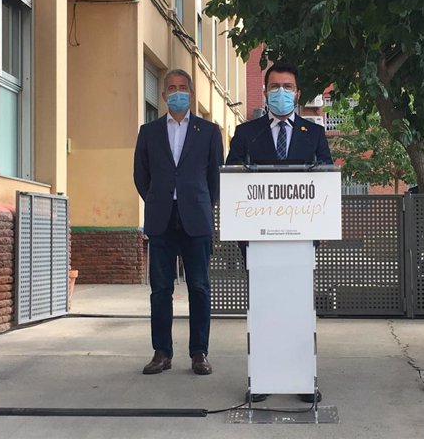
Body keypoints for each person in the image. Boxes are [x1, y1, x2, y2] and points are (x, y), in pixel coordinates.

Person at [226, 63, 333, 404]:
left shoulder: (313, 134)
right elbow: (231, 176)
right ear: (265, 90)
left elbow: (326, 176)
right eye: (275, 86)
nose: (282, 92)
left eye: (288, 86)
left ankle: (302, 379)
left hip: (299, 241)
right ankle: (263, 377)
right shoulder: (247, 133)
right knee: (264, 310)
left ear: (298, 93)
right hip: (259, 241)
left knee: (299, 310)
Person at [134, 69, 224, 376]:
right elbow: (140, 176)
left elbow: (215, 178)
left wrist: (199, 203)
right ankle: (162, 352)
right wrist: (159, 199)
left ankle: (199, 353)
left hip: (196, 219)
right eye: (171, 88)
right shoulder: (148, 132)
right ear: (162, 95)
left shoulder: (209, 132)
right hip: (161, 219)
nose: (177, 92)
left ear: (191, 92)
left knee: (199, 287)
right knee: (160, 289)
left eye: (182, 87)